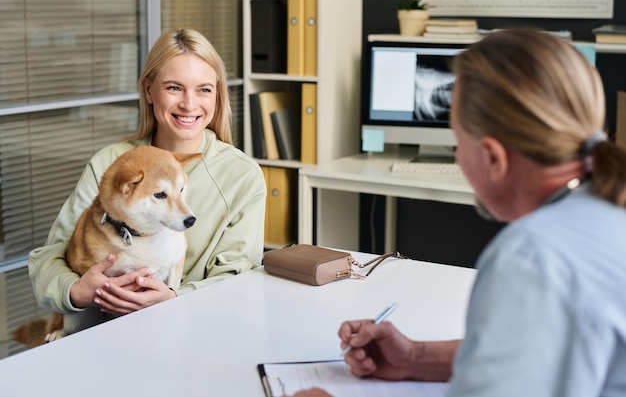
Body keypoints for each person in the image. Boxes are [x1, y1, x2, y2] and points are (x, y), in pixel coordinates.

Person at [289, 29, 626, 396]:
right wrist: (415, 357)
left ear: (493, 157)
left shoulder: (533, 257)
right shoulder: (604, 208)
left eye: (457, 140)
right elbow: (545, 348)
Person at [28, 29, 266, 321]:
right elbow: (46, 262)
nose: (189, 104)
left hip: (192, 331)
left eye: (204, 89)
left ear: (217, 94)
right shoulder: (109, 165)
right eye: (174, 88)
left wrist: (174, 298)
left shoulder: (242, 176)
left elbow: (239, 280)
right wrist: (76, 290)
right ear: (149, 90)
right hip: (97, 335)